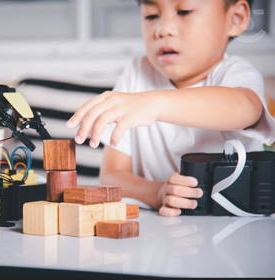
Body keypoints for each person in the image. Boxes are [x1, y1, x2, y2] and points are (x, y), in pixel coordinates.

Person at [66, 0, 275, 216]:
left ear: (236, 18)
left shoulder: (236, 74)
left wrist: (155, 104)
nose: (162, 29)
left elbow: (245, 108)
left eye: (184, 11)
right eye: (151, 15)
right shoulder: (137, 73)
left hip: (235, 227)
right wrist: (157, 192)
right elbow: (111, 176)